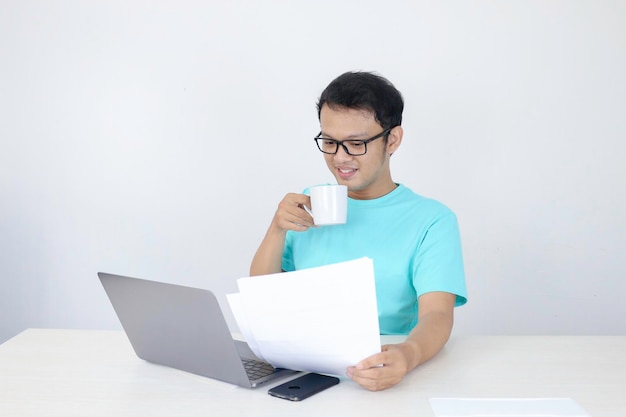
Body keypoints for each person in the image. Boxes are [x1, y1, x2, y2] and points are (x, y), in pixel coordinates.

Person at [250, 71, 467, 391]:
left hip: (377, 366)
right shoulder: (308, 205)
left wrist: (409, 354)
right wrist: (275, 229)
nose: (340, 157)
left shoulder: (432, 220)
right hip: (301, 370)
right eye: (329, 142)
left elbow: (437, 314)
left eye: (356, 143)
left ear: (392, 140)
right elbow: (262, 298)